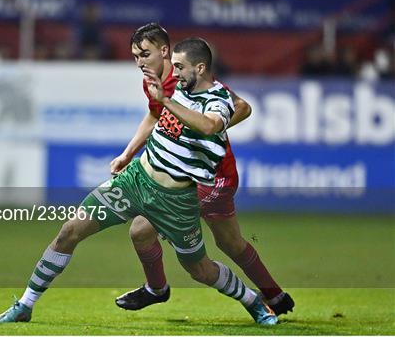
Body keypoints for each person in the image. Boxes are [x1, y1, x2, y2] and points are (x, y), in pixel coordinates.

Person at [0, 38, 278, 325]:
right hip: (135, 181)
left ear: (200, 68)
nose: (174, 73)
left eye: (179, 67)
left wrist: (166, 100)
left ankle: (253, 300)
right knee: (70, 230)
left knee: (200, 270)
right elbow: (155, 113)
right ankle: (25, 305)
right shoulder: (177, 87)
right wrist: (128, 154)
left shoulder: (218, 100)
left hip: (176, 200)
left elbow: (210, 125)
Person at [111, 23, 294, 316]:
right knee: (227, 242)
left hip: (212, 177)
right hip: (188, 176)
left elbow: (243, 107)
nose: (140, 62)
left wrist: (206, 130)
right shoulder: (152, 83)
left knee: (146, 231)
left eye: (144, 54)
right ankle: (275, 296)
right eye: (135, 56)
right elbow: (154, 115)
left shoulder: (188, 81)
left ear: (164, 51)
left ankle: (158, 289)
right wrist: (127, 153)